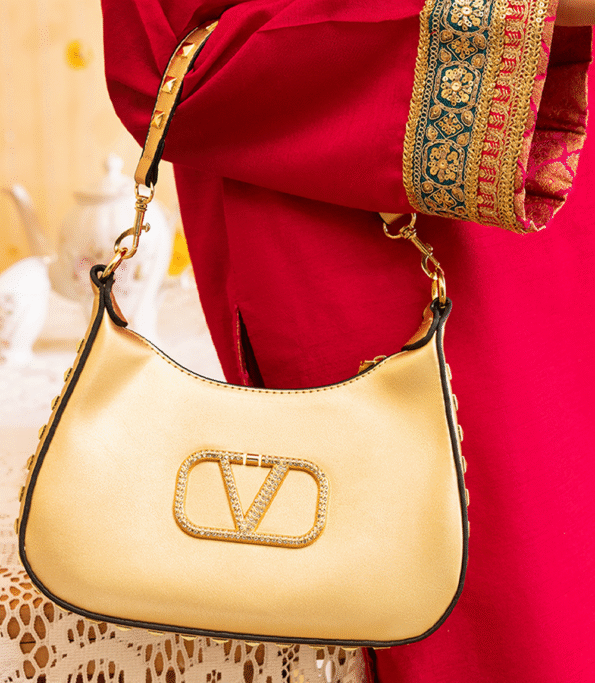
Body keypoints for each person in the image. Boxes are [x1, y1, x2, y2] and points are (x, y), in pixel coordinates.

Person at [101, 1, 594, 681]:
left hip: (566, 200)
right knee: (509, 617)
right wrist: (521, 18)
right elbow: (175, 65)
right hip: (385, 269)